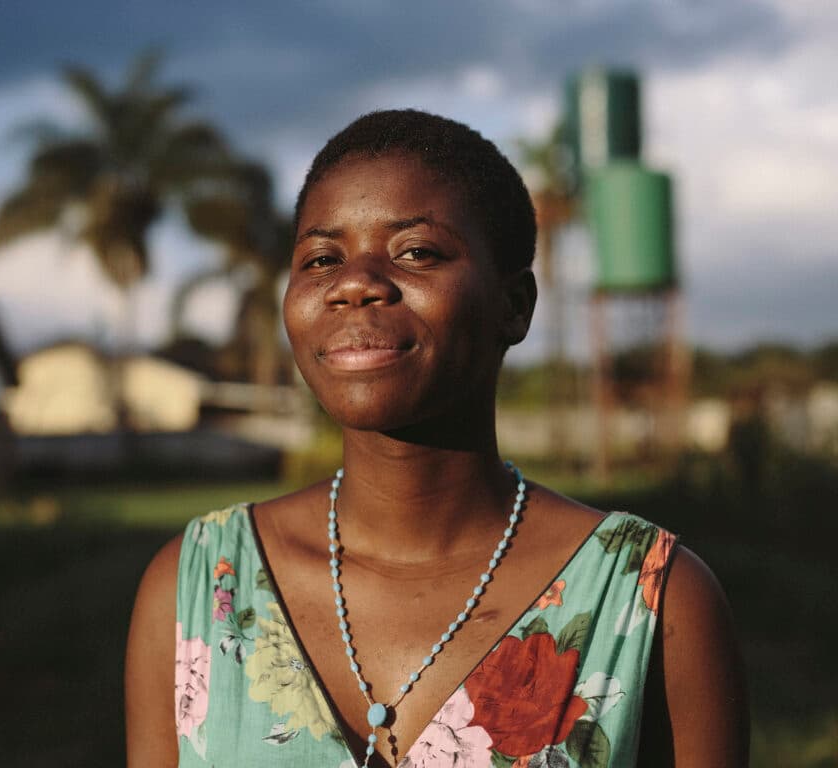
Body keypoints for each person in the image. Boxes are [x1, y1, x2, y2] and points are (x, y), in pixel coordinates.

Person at [125, 109, 748, 768]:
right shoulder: (195, 590)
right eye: (322, 259)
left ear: (515, 305)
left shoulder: (652, 603)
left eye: (416, 252)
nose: (355, 283)